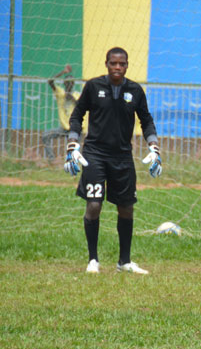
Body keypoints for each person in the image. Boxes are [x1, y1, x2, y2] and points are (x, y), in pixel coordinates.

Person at [64, 47, 163, 275]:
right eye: (113, 63)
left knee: (126, 208)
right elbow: (77, 115)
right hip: (95, 155)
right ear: (106, 64)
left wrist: (154, 146)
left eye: (122, 64)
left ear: (127, 65)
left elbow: (146, 120)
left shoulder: (135, 90)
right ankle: (93, 260)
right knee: (94, 205)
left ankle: (124, 262)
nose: (117, 67)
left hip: (122, 157)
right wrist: (72, 143)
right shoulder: (93, 86)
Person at [42, 64, 86, 159]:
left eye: (71, 83)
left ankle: (74, 163)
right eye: (67, 82)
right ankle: (52, 159)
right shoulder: (60, 93)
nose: (69, 84)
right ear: (64, 83)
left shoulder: (77, 95)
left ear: (73, 84)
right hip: (63, 128)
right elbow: (50, 81)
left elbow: (82, 107)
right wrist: (63, 72)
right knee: (45, 136)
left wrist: (72, 99)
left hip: (75, 128)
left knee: (74, 150)